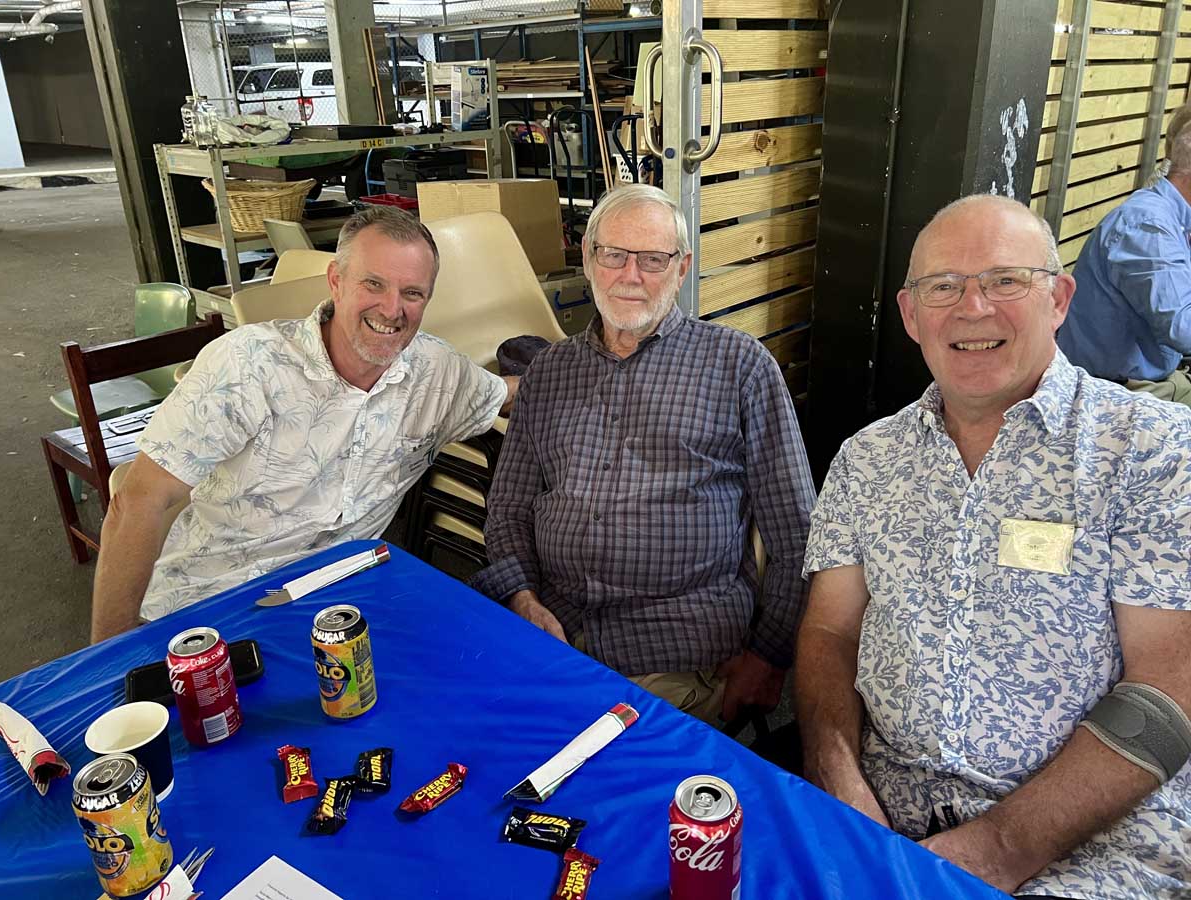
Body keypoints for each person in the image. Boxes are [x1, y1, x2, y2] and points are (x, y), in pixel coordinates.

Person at [797, 193, 1191, 898]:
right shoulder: (866, 460)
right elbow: (829, 634)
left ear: (1059, 298)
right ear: (911, 314)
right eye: (943, 286)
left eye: (1006, 280)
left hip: (1093, 846)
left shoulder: (1151, 451)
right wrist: (839, 788)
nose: (972, 308)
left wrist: (993, 851)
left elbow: (1170, 688)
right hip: (882, 815)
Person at [473, 184, 816, 725]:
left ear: (681, 270)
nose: (630, 275)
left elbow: (797, 532)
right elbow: (509, 508)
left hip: (673, 652)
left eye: (653, 259)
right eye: (614, 254)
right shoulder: (550, 371)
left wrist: (769, 659)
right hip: (549, 635)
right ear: (589, 259)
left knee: (611, 776)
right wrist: (522, 598)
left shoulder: (740, 366)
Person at [90, 206, 514, 643]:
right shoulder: (248, 364)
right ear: (336, 280)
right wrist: (105, 662)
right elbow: (136, 503)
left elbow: (506, 393)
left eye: (412, 293)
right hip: (209, 605)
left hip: (338, 608)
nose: (392, 309)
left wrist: (564, 369)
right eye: (373, 284)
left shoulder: (436, 371)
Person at [1057, 120, 1191, 406]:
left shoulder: (1173, 217)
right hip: (1115, 392)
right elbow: (1183, 329)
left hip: (1154, 376)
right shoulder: (1148, 226)